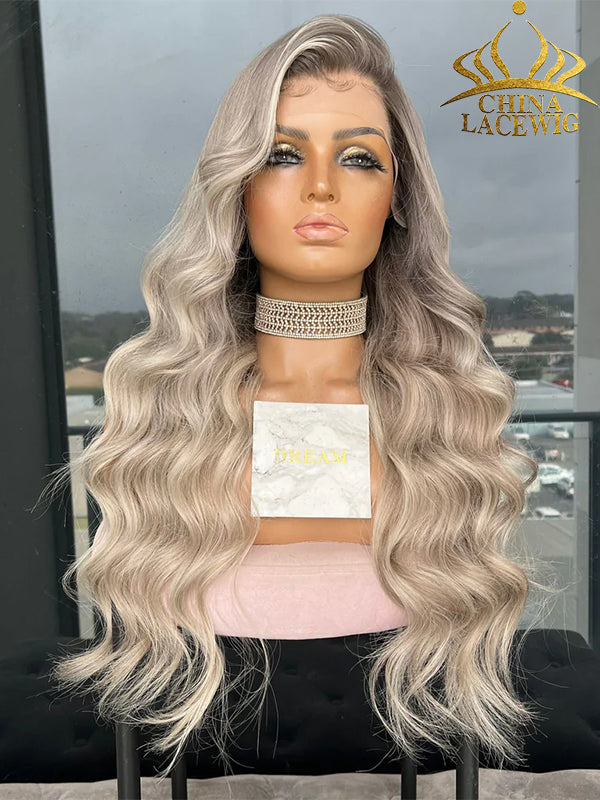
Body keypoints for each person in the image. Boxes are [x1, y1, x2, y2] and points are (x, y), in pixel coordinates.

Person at [39, 12, 551, 780]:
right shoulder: (172, 416)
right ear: (237, 187)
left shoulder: (441, 416)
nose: (320, 186)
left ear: (399, 197)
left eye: (359, 158)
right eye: (282, 154)